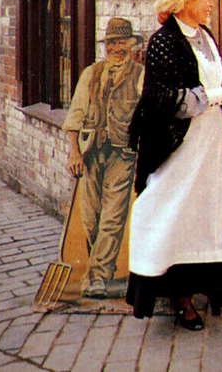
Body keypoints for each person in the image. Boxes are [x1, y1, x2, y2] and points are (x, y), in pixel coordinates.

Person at [125, 0, 222, 330]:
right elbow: (168, 100)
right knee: (180, 214)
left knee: (219, 210)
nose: (210, 3)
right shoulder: (164, 41)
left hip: (213, 141)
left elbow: (216, 75)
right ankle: (183, 300)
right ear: (184, 0)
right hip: (182, 146)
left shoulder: (205, 34)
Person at [62, 17, 144, 299]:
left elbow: (147, 117)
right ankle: (100, 269)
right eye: (112, 43)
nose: (117, 48)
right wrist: (74, 151)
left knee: (112, 217)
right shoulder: (91, 73)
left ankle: (97, 277)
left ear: (131, 45)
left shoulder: (140, 75)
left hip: (123, 154)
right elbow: (75, 115)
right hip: (92, 152)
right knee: (91, 218)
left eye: (122, 42)